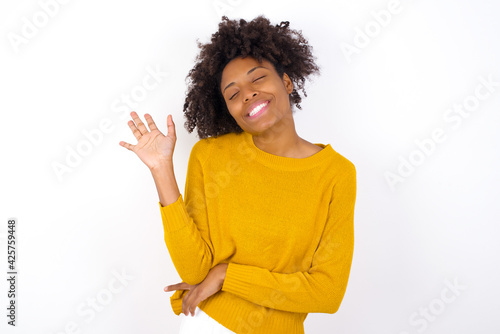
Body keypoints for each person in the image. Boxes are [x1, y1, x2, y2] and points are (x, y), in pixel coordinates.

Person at [119, 15, 357, 334]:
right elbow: (196, 270)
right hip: (211, 324)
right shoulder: (211, 156)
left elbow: (327, 293)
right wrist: (162, 170)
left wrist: (227, 275)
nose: (246, 94)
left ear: (286, 82)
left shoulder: (336, 173)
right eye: (233, 94)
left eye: (257, 78)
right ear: (228, 109)